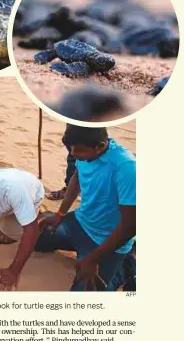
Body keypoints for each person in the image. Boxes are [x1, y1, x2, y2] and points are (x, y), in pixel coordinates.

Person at [36, 124, 136, 291]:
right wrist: (60, 213)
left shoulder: (126, 168)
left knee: (85, 298)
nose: (74, 154)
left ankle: (125, 268)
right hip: (80, 223)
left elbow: (131, 226)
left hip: (106, 241)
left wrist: (93, 259)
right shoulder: (83, 151)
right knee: (38, 239)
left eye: (79, 151)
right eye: (71, 150)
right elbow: (77, 177)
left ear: (100, 146)